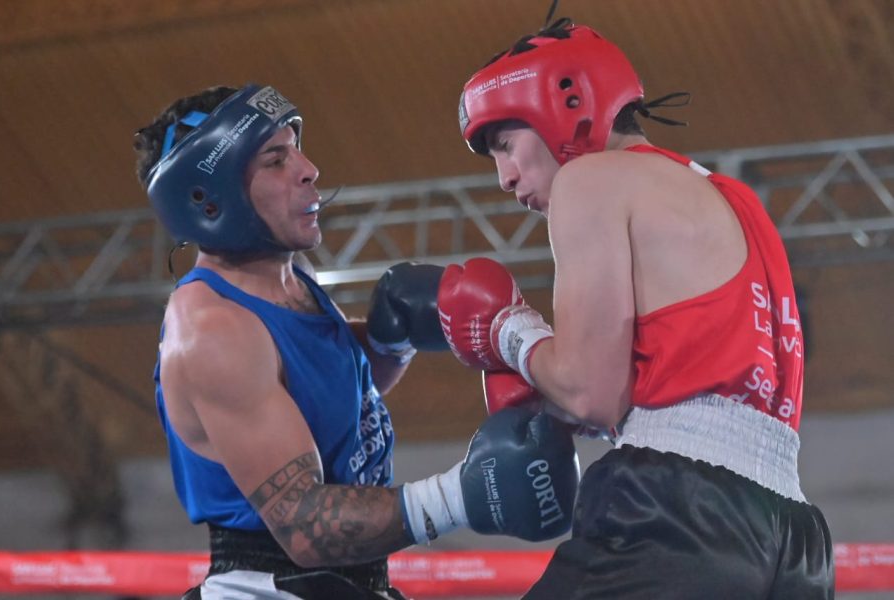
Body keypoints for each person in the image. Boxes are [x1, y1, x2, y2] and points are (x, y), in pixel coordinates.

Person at [437, 15, 835, 599]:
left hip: (675, 512)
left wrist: (508, 333)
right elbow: (660, 392)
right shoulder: (729, 197)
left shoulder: (591, 181)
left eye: (506, 144)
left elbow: (588, 392)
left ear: (562, 101)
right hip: (795, 541)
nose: (505, 177)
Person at [133, 83, 580, 600]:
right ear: (208, 198)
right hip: (269, 585)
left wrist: (391, 341)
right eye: (276, 160)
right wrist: (460, 495)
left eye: (295, 148)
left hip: (346, 582)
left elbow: (333, 392)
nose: (308, 169)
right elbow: (304, 524)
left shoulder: (288, 279)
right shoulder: (212, 329)